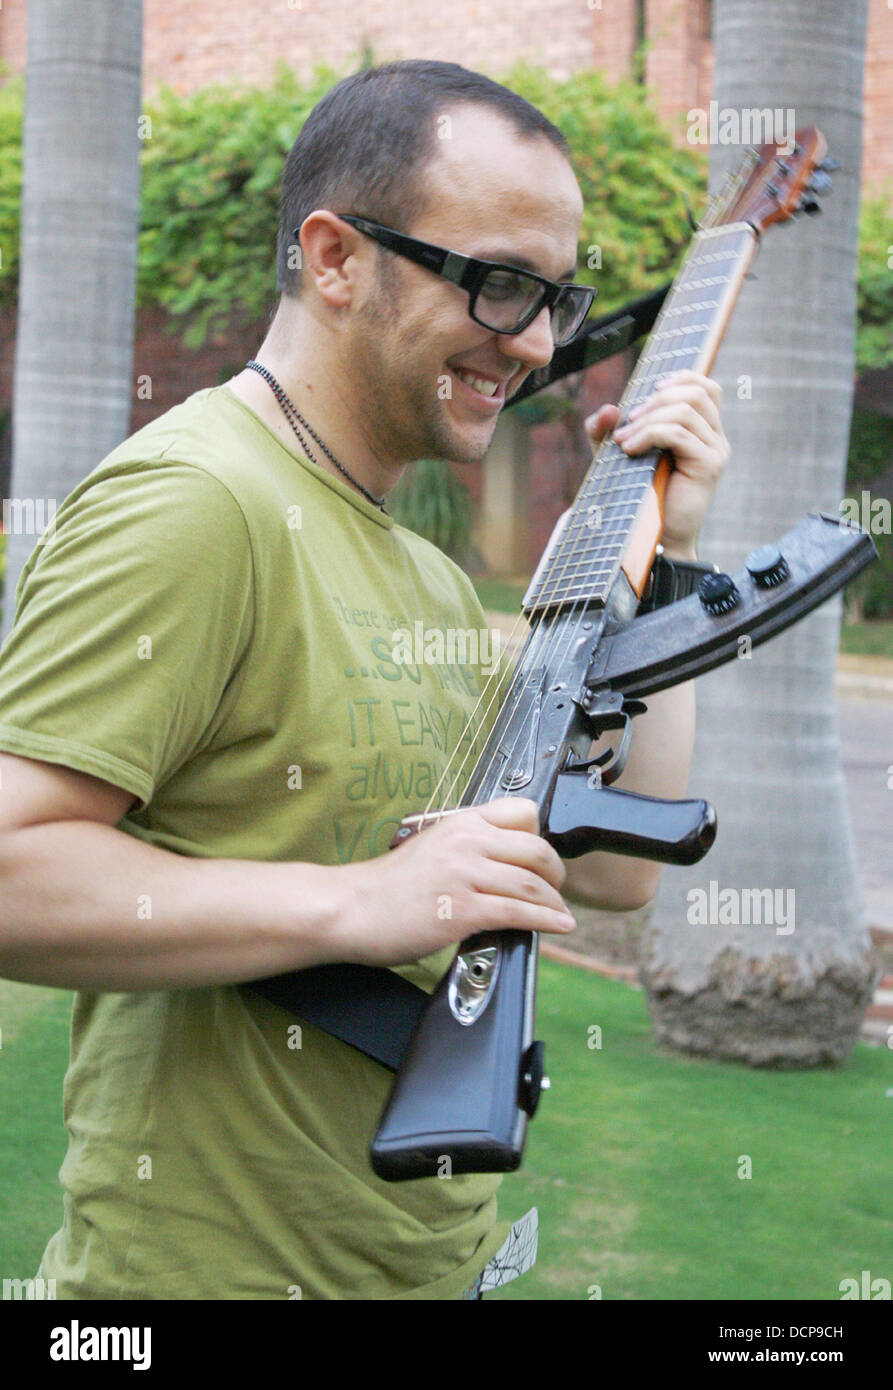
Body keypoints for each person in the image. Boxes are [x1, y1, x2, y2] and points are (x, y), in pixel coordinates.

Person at [0, 60, 728, 1299]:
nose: (538, 342)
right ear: (333, 259)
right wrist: (362, 903)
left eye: (556, 297)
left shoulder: (429, 579)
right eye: (499, 285)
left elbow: (608, 873)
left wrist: (665, 564)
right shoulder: (197, 501)